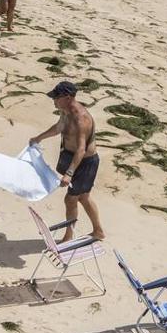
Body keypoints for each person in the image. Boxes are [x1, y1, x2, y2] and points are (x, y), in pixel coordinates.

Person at [29, 81, 105, 242]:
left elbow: (81, 149)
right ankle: (98, 231)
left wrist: (69, 174)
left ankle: (68, 237)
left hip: (85, 163)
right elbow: (58, 128)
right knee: (83, 197)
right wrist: (38, 138)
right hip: (72, 158)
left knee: (70, 199)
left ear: (68, 97)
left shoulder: (81, 118)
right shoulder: (65, 111)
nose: (54, 100)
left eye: (56, 97)